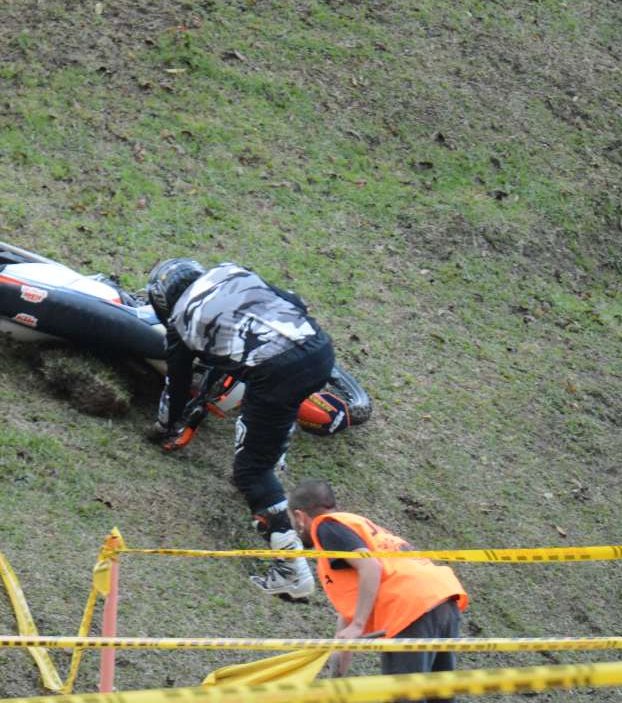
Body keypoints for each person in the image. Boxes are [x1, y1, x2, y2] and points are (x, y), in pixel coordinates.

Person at [146, 258, 336, 600]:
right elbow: (293, 301)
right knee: (275, 412)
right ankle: (273, 462)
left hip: (277, 370)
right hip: (319, 349)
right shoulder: (230, 271)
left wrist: (164, 427)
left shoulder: (181, 320)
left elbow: (178, 385)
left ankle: (291, 574)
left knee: (251, 471)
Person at [288, 480, 468, 695]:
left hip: (410, 608)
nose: (297, 530)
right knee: (438, 695)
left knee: (403, 696)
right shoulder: (354, 525)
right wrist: (339, 666)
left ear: (300, 516)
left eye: (293, 522)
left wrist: (358, 624)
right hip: (442, 599)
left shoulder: (325, 526)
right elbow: (350, 609)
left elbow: (370, 567)